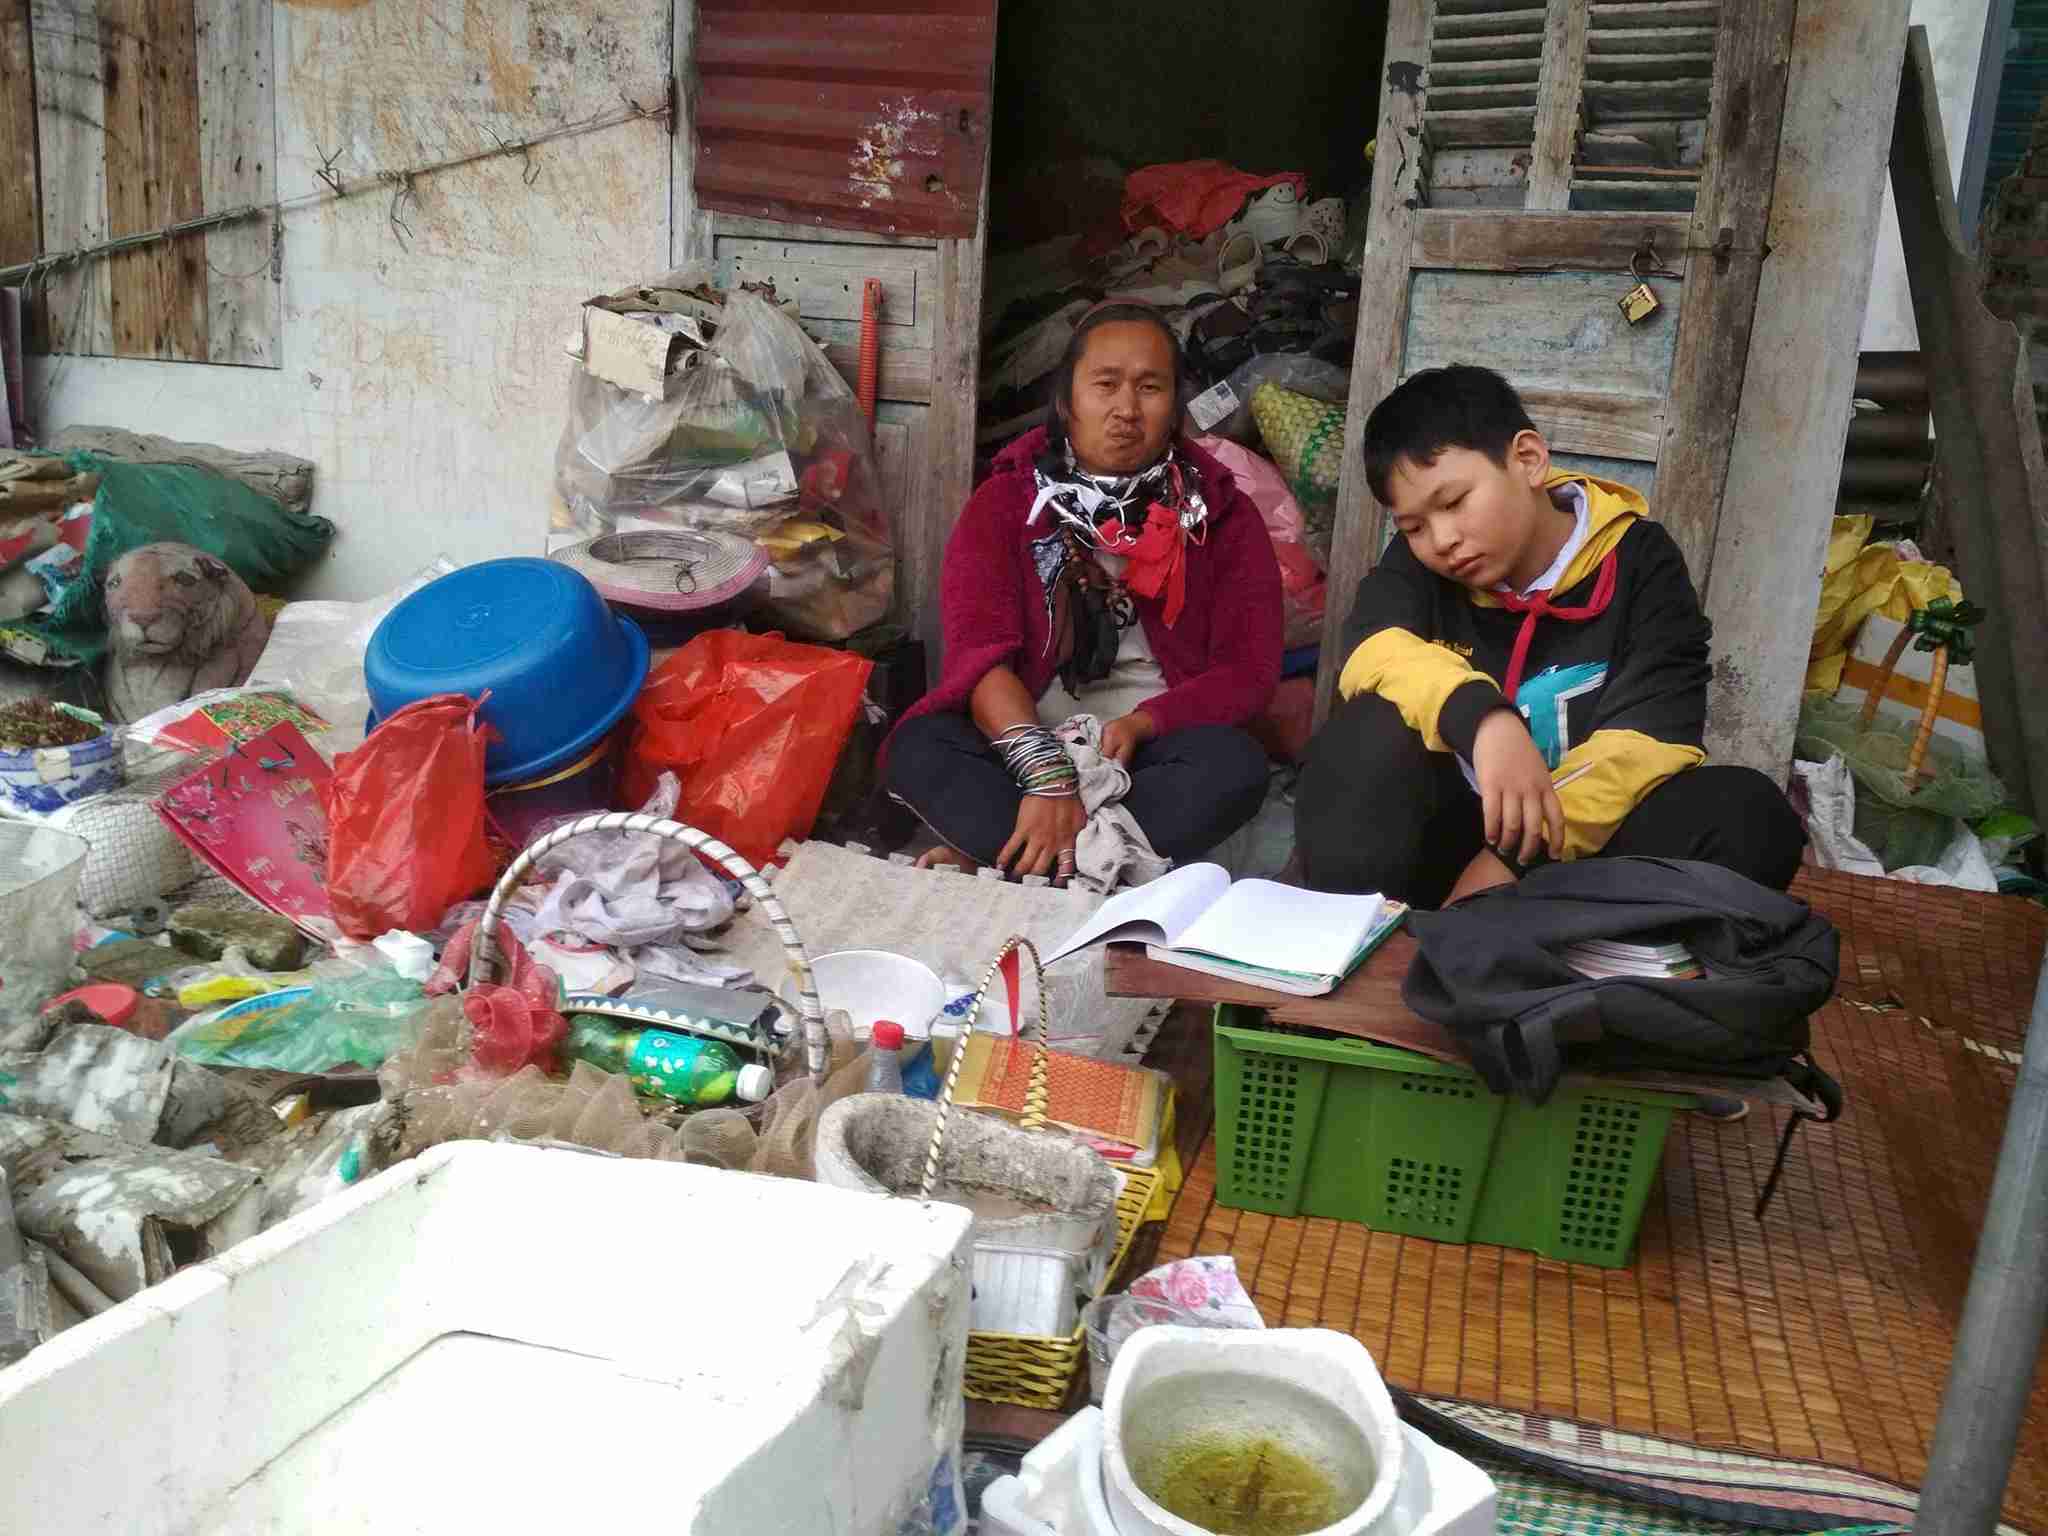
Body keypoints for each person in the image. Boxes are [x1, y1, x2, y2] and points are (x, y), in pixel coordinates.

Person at [1297, 364, 1805, 908]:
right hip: (1445, 843)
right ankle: (1354, 943)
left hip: (1572, 849)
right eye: (1414, 526)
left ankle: (1577, 961)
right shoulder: (1420, 567)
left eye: (1453, 502)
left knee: (1747, 813)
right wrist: (1484, 720)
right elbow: (1373, 648)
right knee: (1363, 730)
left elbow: (1651, 738)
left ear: (1528, 460)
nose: (1441, 539)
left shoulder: (1639, 562)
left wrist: (1513, 860)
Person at [884, 301, 1282, 883]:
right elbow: (981, 657)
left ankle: (1010, 858)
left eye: (1150, 387)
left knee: (1236, 766)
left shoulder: (1221, 513)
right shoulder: (1004, 504)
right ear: (1068, 401)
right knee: (918, 746)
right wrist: (1046, 775)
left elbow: (1247, 674)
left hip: (1147, 752)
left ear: (1174, 406)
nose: (1126, 409)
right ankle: (1098, 859)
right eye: (1105, 385)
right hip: (1024, 743)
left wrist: (1143, 724)